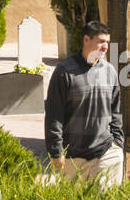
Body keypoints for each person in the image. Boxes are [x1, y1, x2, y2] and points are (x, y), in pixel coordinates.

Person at [45, 20, 125, 188]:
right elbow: (54, 114)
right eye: (101, 41)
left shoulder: (109, 71)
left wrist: (118, 142)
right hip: (73, 156)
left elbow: (116, 110)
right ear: (86, 40)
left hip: (106, 151)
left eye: (107, 42)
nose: (105, 47)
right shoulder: (64, 71)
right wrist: (56, 150)